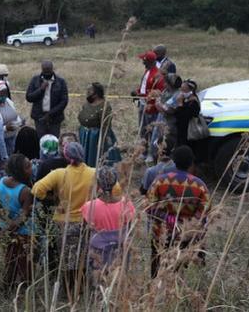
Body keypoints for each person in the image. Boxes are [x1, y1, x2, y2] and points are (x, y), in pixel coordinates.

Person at [31, 142, 99, 299]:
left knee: (67, 259)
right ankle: (81, 287)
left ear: (66, 157)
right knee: (83, 255)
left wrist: (53, 200)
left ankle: (69, 291)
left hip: (64, 222)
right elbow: (115, 188)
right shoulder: (93, 173)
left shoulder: (59, 174)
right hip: (86, 221)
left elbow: (36, 189)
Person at [147, 145, 209, 278]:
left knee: (157, 269)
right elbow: (204, 214)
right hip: (185, 236)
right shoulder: (200, 186)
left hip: (161, 235)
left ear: (173, 161)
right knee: (178, 273)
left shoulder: (160, 181)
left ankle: (154, 292)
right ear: (191, 162)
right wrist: (186, 223)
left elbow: (149, 207)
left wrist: (167, 217)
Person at [81, 166, 135, 279]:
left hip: (98, 252)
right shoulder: (127, 204)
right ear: (115, 182)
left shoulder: (89, 206)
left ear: (98, 184)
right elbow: (130, 229)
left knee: (99, 282)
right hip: (120, 251)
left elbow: (86, 231)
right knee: (118, 280)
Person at [0, 153, 34, 292]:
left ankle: (7, 286)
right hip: (22, 232)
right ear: (20, 171)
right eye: (28, 166)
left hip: (4, 226)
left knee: (9, 260)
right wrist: (11, 228)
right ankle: (26, 288)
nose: (31, 168)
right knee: (24, 263)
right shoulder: (25, 191)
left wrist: (5, 226)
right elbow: (23, 216)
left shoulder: (1, 181)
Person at [78, 82, 121, 168]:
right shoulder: (88, 103)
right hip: (86, 134)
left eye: (90, 91)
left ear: (96, 94)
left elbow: (106, 125)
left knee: (94, 156)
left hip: (95, 137)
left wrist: (103, 141)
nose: (88, 93)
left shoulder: (104, 106)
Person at [132, 51, 165, 160]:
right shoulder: (147, 71)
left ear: (149, 61)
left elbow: (157, 93)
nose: (142, 62)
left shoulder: (157, 76)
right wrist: (138, 92)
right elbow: (144, 86)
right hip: (142, 104)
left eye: (144, 60)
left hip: (151, 109)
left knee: (151, 130)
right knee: (143, 130)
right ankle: (144, 151)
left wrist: (142, 94)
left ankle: (152, 154)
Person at [26, 60, 69, 138]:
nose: (47, 74)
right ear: (42, 70)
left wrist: (51, 113)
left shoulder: (61, 82)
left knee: (53, 142)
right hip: (39, 118)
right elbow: (29, 98)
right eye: (45, 72)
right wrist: (41, 89)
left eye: (49, 72)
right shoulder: (35, 80)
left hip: (55, 118)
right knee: (41, 142)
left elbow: (64, 101)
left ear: (52, 69)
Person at [151, 73, 182, 160]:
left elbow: (169, 110)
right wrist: (160, 105)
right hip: (163, 122)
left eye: (166, 82)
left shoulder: (177, 95)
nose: (164, 84)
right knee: (158, 142)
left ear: (170, 84)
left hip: (171, 125)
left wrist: (160, 104)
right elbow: (160, 105)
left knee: (167, 145)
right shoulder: (166, 91)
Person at [0, 81, 22, 155]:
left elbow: (14, 114)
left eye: (6, 93)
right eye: (2, 93)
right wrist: (6, 128)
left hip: (12, 136)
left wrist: (19, 122)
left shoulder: (8, 101)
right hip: (0, 140)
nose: (5, 95)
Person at [173, 79, 201, 150]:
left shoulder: (193, 102)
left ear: (190, 91)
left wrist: (180, 104)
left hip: (188, 133)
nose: (181, 93)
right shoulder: (186, 99)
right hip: (181, 132)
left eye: (183, 90)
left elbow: (183, 117)